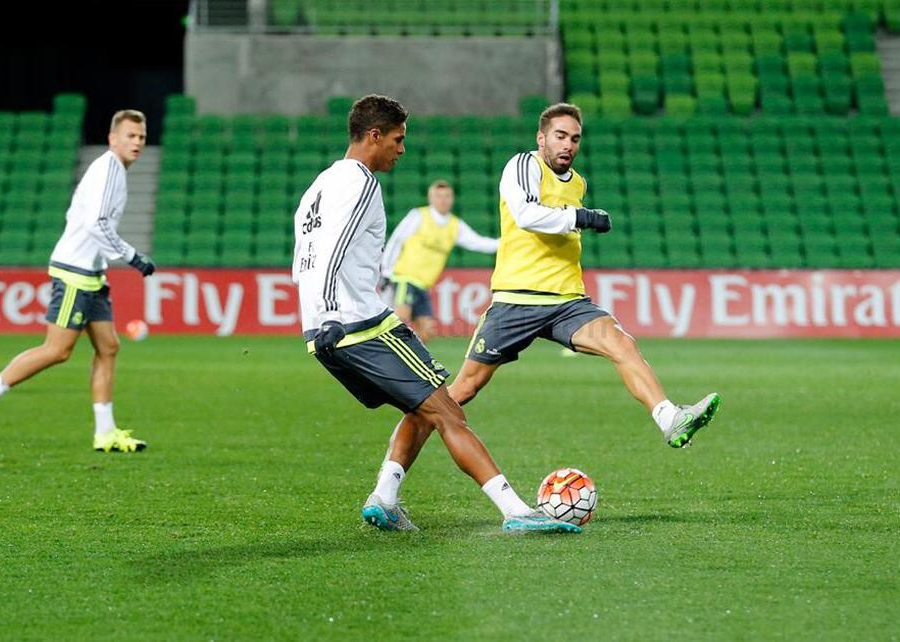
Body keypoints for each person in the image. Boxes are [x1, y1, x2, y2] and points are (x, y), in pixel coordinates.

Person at [372, 103, 721, 498]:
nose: (568, 144)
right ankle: (387, 486)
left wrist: (578, 214)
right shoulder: (523, 165)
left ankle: (668, 417)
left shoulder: (578, 183)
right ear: (541, 138)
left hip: (567, 300)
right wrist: (582, 217)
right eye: (560, 135)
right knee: (454, 395)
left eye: (574, 138)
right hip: (517, 300)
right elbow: (525, 215)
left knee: (621, 343)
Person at [292, 94, 578, 534]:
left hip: (320, 332)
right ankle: (516, 511)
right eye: (397, 138)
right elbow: (331, 249)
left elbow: (302, 258)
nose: (401, 149)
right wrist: (333, 310)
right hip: (357, 323)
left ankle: (384, 498)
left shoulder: (319, 185)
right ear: (373, 136)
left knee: (424, 406)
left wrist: (318, 316)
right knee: (447, 412)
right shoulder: (361, 182)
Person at [0, 110, 156, 453]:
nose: (137, 142)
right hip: (75, 273)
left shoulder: (113, 171)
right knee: (57, 350)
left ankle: (105, 432)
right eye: (130, 135)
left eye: (141, 137)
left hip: (92, 273)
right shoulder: (109, 168)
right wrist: (132, 257)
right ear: (113, 138)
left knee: (109, 347)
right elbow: (96, 224)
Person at [381, 180, 499, 341]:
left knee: (427, 331)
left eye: (447, 196)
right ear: (431, 198)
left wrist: (506, 242)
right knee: (401, 318)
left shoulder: (454, 225)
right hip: (405, 277)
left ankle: (412, 362)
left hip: (423, 284)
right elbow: (396, 241)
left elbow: (478, 242)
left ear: (452, 199)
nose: (443, 200)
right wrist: (386, 271)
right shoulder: (418, 216)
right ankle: (387, 358)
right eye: (439, 196)